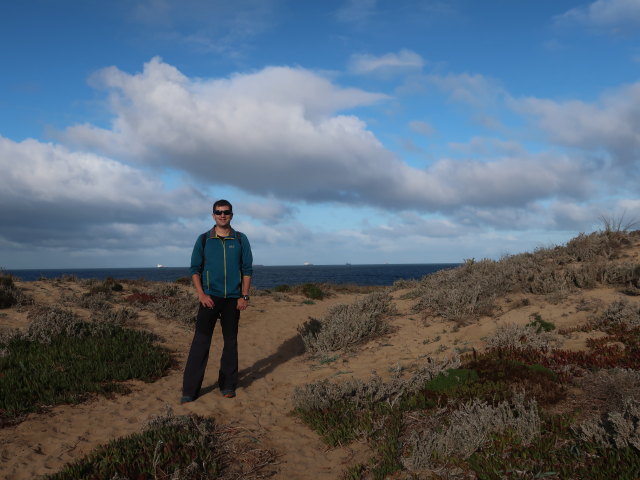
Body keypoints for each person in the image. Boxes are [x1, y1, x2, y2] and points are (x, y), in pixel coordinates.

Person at [181, 199, 253, 402]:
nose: (223, 215)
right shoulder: (204, 239)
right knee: (200, 343)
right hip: (209, 299)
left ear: (232, 214)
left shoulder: (240, 239)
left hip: (233, 300)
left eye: (226, 212)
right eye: (218, 212)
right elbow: (195, 269)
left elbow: (247, 270)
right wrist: (201, 294)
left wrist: (244, 296)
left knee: (230, 344)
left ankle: (228, 385)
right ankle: (190, 391)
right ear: (213, 215)